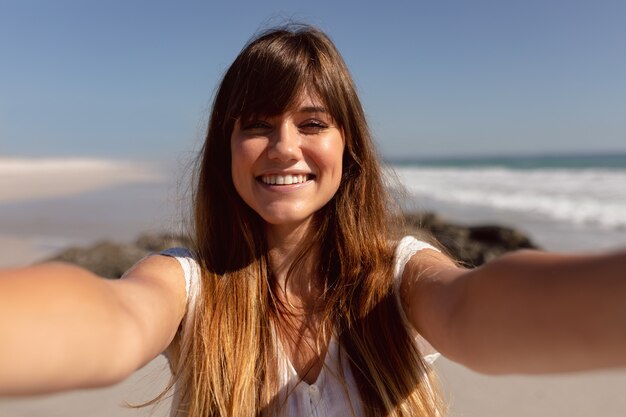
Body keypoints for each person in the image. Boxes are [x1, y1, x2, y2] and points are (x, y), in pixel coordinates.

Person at [1, 24, 625, 417]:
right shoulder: (189, 288)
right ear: (227, 150)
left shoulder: (398, 281)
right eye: (256, 126)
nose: (283, 147)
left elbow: (475, 307)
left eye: (311, 123)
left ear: (347, 146)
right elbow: (111, 320)